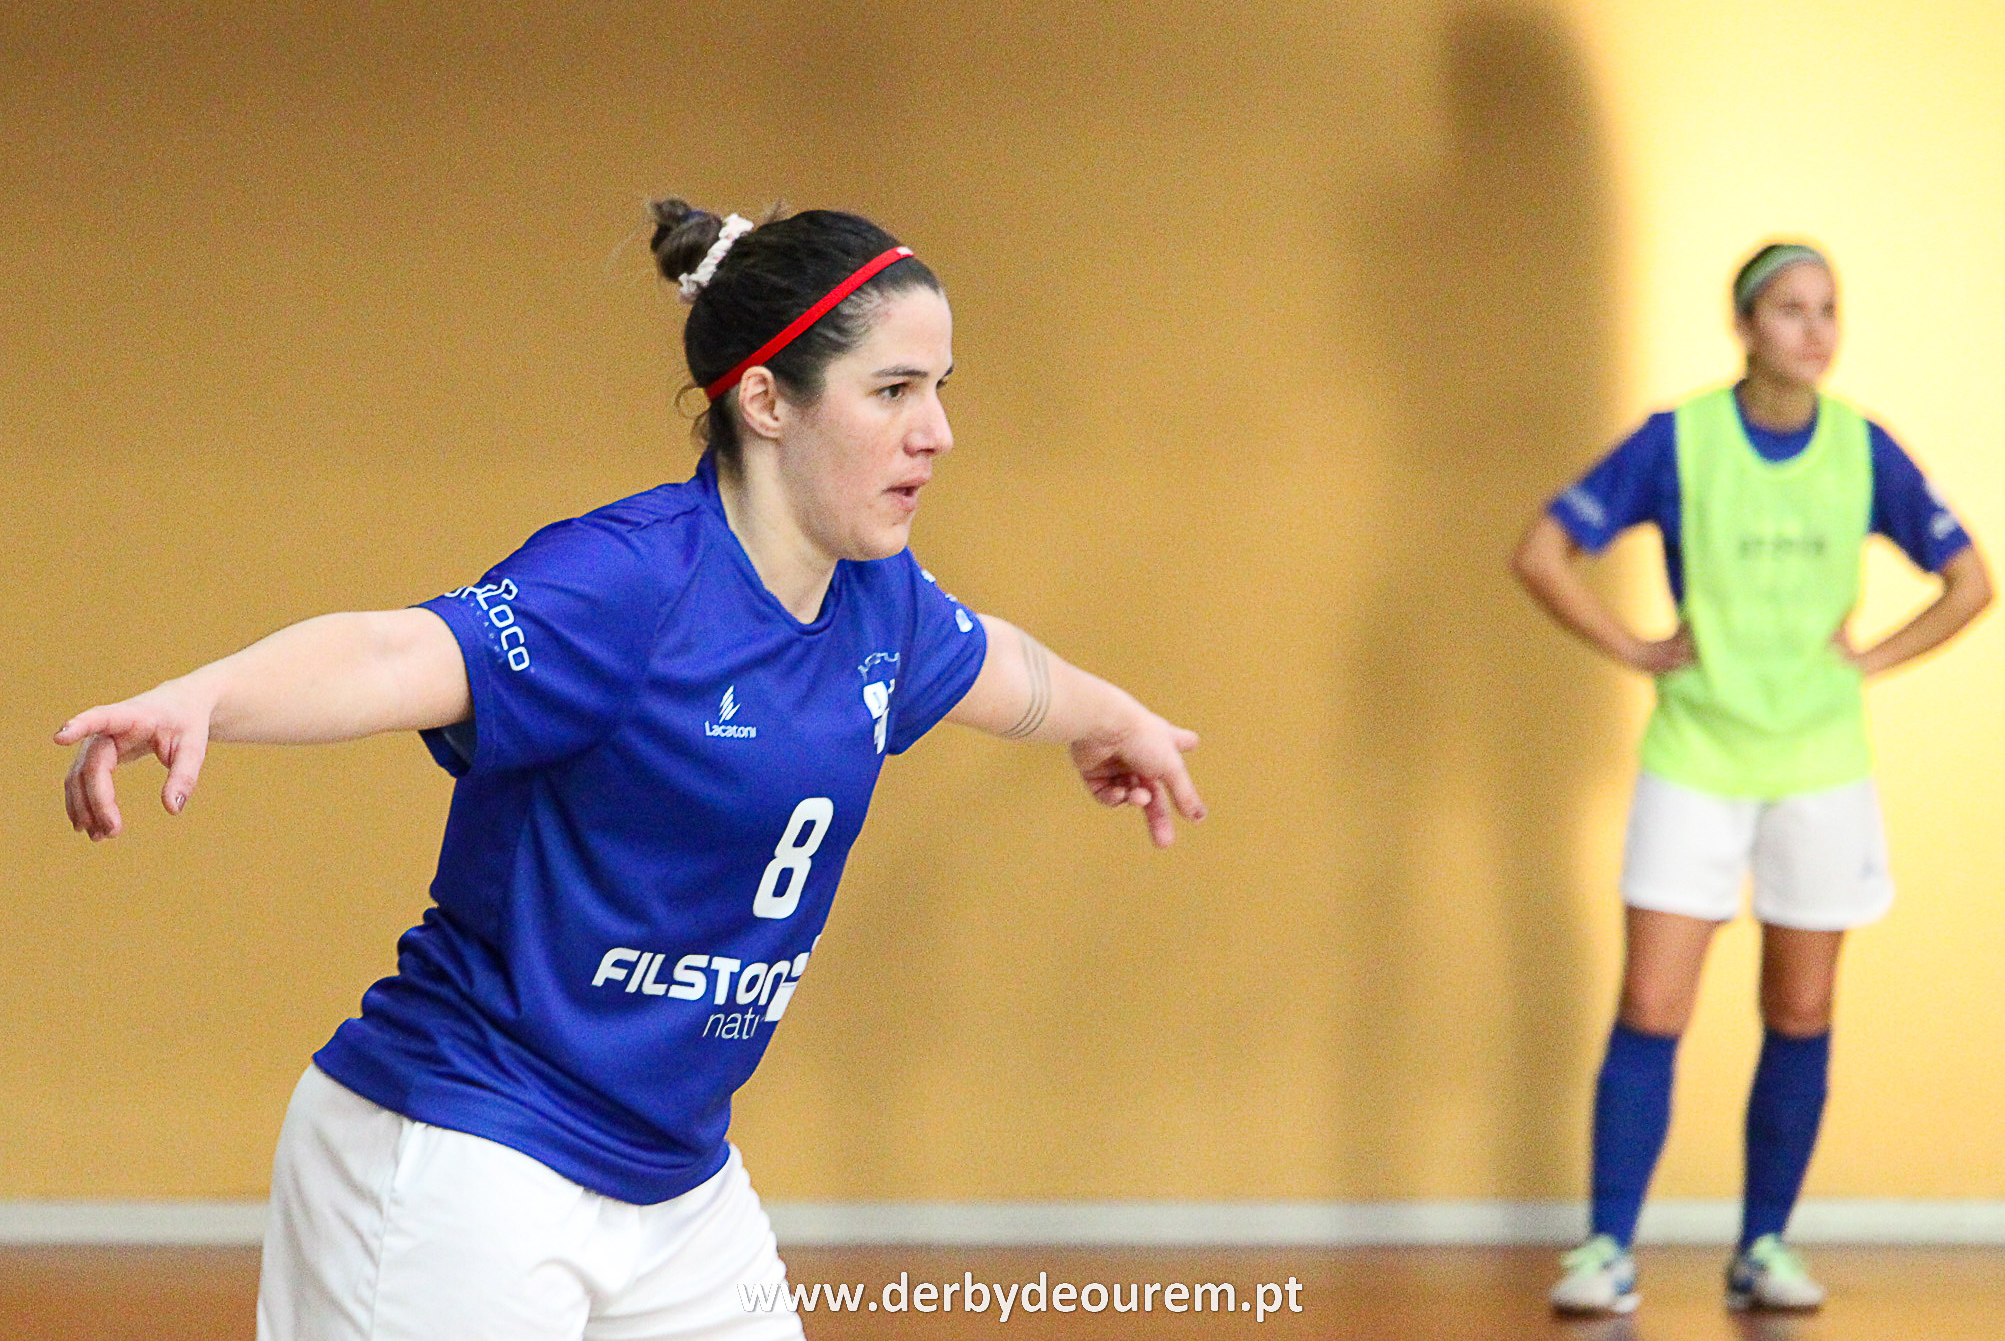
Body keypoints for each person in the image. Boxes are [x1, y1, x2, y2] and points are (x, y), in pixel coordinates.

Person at [57, 199, 1206, 1341]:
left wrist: (1116, 719)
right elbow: (396, 648)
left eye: (941, 388)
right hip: (470, 1147)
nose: (937, 431)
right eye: (894, 390)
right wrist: (208, 694)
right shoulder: (626, 583)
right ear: (765, 400)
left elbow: (1002, 667)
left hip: (673, 1180)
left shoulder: (878, 603)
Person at [1511, 242, 1992, 1315]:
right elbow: (1540, 552)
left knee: (1801, 1005)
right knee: (1650, 999)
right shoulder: (1674, 441)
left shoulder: (1863, 450)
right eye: (1789, 308)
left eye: (1827, 308)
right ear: (1743, 324)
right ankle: (1603, 1247)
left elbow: (1969, 581)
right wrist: (1634, 648)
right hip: (1697, 754)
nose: (1813, 329)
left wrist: (1868, 659)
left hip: (1818, 767)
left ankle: (1763, 1244)